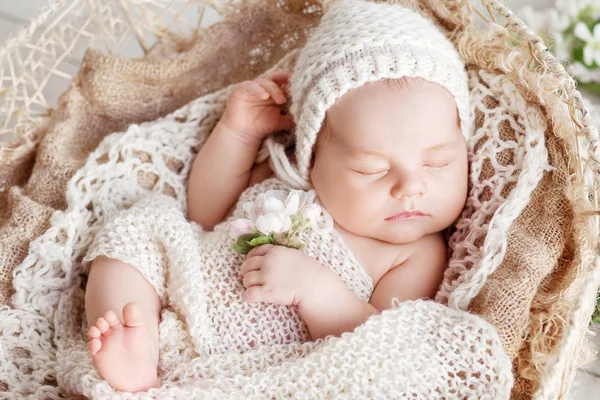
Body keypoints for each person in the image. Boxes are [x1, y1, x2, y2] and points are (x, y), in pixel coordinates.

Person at [83, 0, 472, 392]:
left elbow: (379, 348)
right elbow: (204, 213)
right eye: (371, 169)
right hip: (183, 294)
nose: (411, 186)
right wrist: (237, 132)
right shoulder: (285, 176)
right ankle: (138, 349)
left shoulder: (417, 252)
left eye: (438, 163)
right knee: (131, 234)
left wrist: (316, 290)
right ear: (312, 156)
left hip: (261, 366)